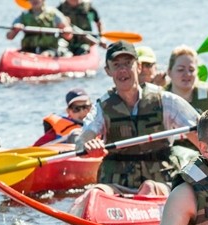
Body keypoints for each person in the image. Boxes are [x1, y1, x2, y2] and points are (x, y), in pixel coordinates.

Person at [77, 41, 201, 190]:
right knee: (95, 192)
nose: (123, 70)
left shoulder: (166, 101)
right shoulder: (101, 108)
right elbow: (82, 140)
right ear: (108, 70)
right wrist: (88, 145)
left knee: (149, 188)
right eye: (116, 65)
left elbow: (202, 136)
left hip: (161, 184)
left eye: (128, 63)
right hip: (118, 186)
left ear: (139, 67)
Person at [7, 0, 73, 57]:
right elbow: (9, 37)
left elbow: (68, 35)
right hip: (28, 50)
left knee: (45, 54)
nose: (34, 0)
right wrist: (15, 30)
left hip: (49, 49)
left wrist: (66, 31)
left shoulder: (53, 13)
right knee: (26, 54)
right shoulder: (24, 15)